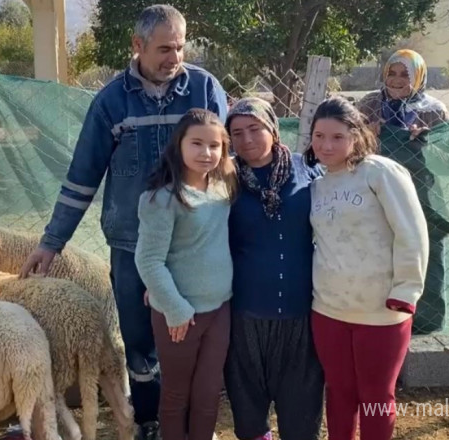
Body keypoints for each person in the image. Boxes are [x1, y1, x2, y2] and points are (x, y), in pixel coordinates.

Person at [18, 5, 229, 439]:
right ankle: (149, 420)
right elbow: (83, 177)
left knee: (192, 332)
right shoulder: (112, 101)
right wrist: (51, 242)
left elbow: (227, 164)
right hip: (133, 246)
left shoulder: (205, 90)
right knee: (140, 340)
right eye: (165, 48)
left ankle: (189, 418)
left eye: (181, 47)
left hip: (195, 245)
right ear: (138, 46)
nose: (175, 57)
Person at [305, 97, 429, 440]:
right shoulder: (316, 184)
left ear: (356, 137)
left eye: (337, 137)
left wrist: (407, 289)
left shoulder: (380, 172)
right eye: (319, 136)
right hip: (329, 309)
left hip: (381, 311)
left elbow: (411, 231)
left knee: (376, 397)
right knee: (339, 391)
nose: (326, 146)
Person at [222, 97, 325, 440]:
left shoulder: (307, 170)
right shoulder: (224, 178)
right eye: (236, 133)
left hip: (300, 312)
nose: (247, 139)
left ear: (273, 129)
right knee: (248, 407)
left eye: (255, 129)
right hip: (246, 312)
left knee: (302, 406)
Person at [134, 108, 237, 440]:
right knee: (177, 395)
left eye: (214, 146)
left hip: (220, 309)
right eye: (196, 144)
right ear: (179, 145)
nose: (206, 153)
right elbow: (149, 260)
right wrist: (174, 307)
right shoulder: (162, 199)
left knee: (208, 395)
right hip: (179, 317)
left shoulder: (223, 190)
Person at [356, 49, 449, 335]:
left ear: (419, 77)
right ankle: (378, 322)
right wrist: (369, 136)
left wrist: (426, 141)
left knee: (425, 257)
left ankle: (425, 328)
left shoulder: (433, 110)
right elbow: (348, 151)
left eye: (406, 74)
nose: (398, 80)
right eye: (393, 73)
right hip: (375, 196)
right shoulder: (369, 105)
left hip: (423, 196)